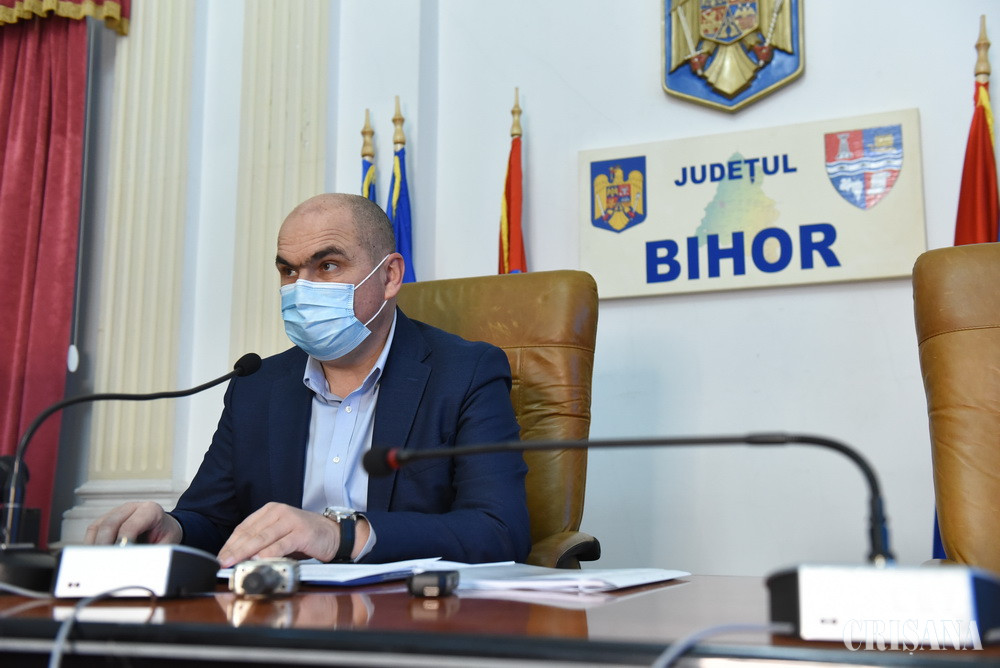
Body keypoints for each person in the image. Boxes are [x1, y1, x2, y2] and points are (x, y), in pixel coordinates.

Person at [85, 193, 531, 566]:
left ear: (390, 276)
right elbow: (214, 521)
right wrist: (172, 527)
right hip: (276, 615)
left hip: (406, 617)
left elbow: (498, 531)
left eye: (328, 265)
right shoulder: (257, 385)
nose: (301, 288)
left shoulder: (465, 373)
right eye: (288, 270)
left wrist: (341, 535)